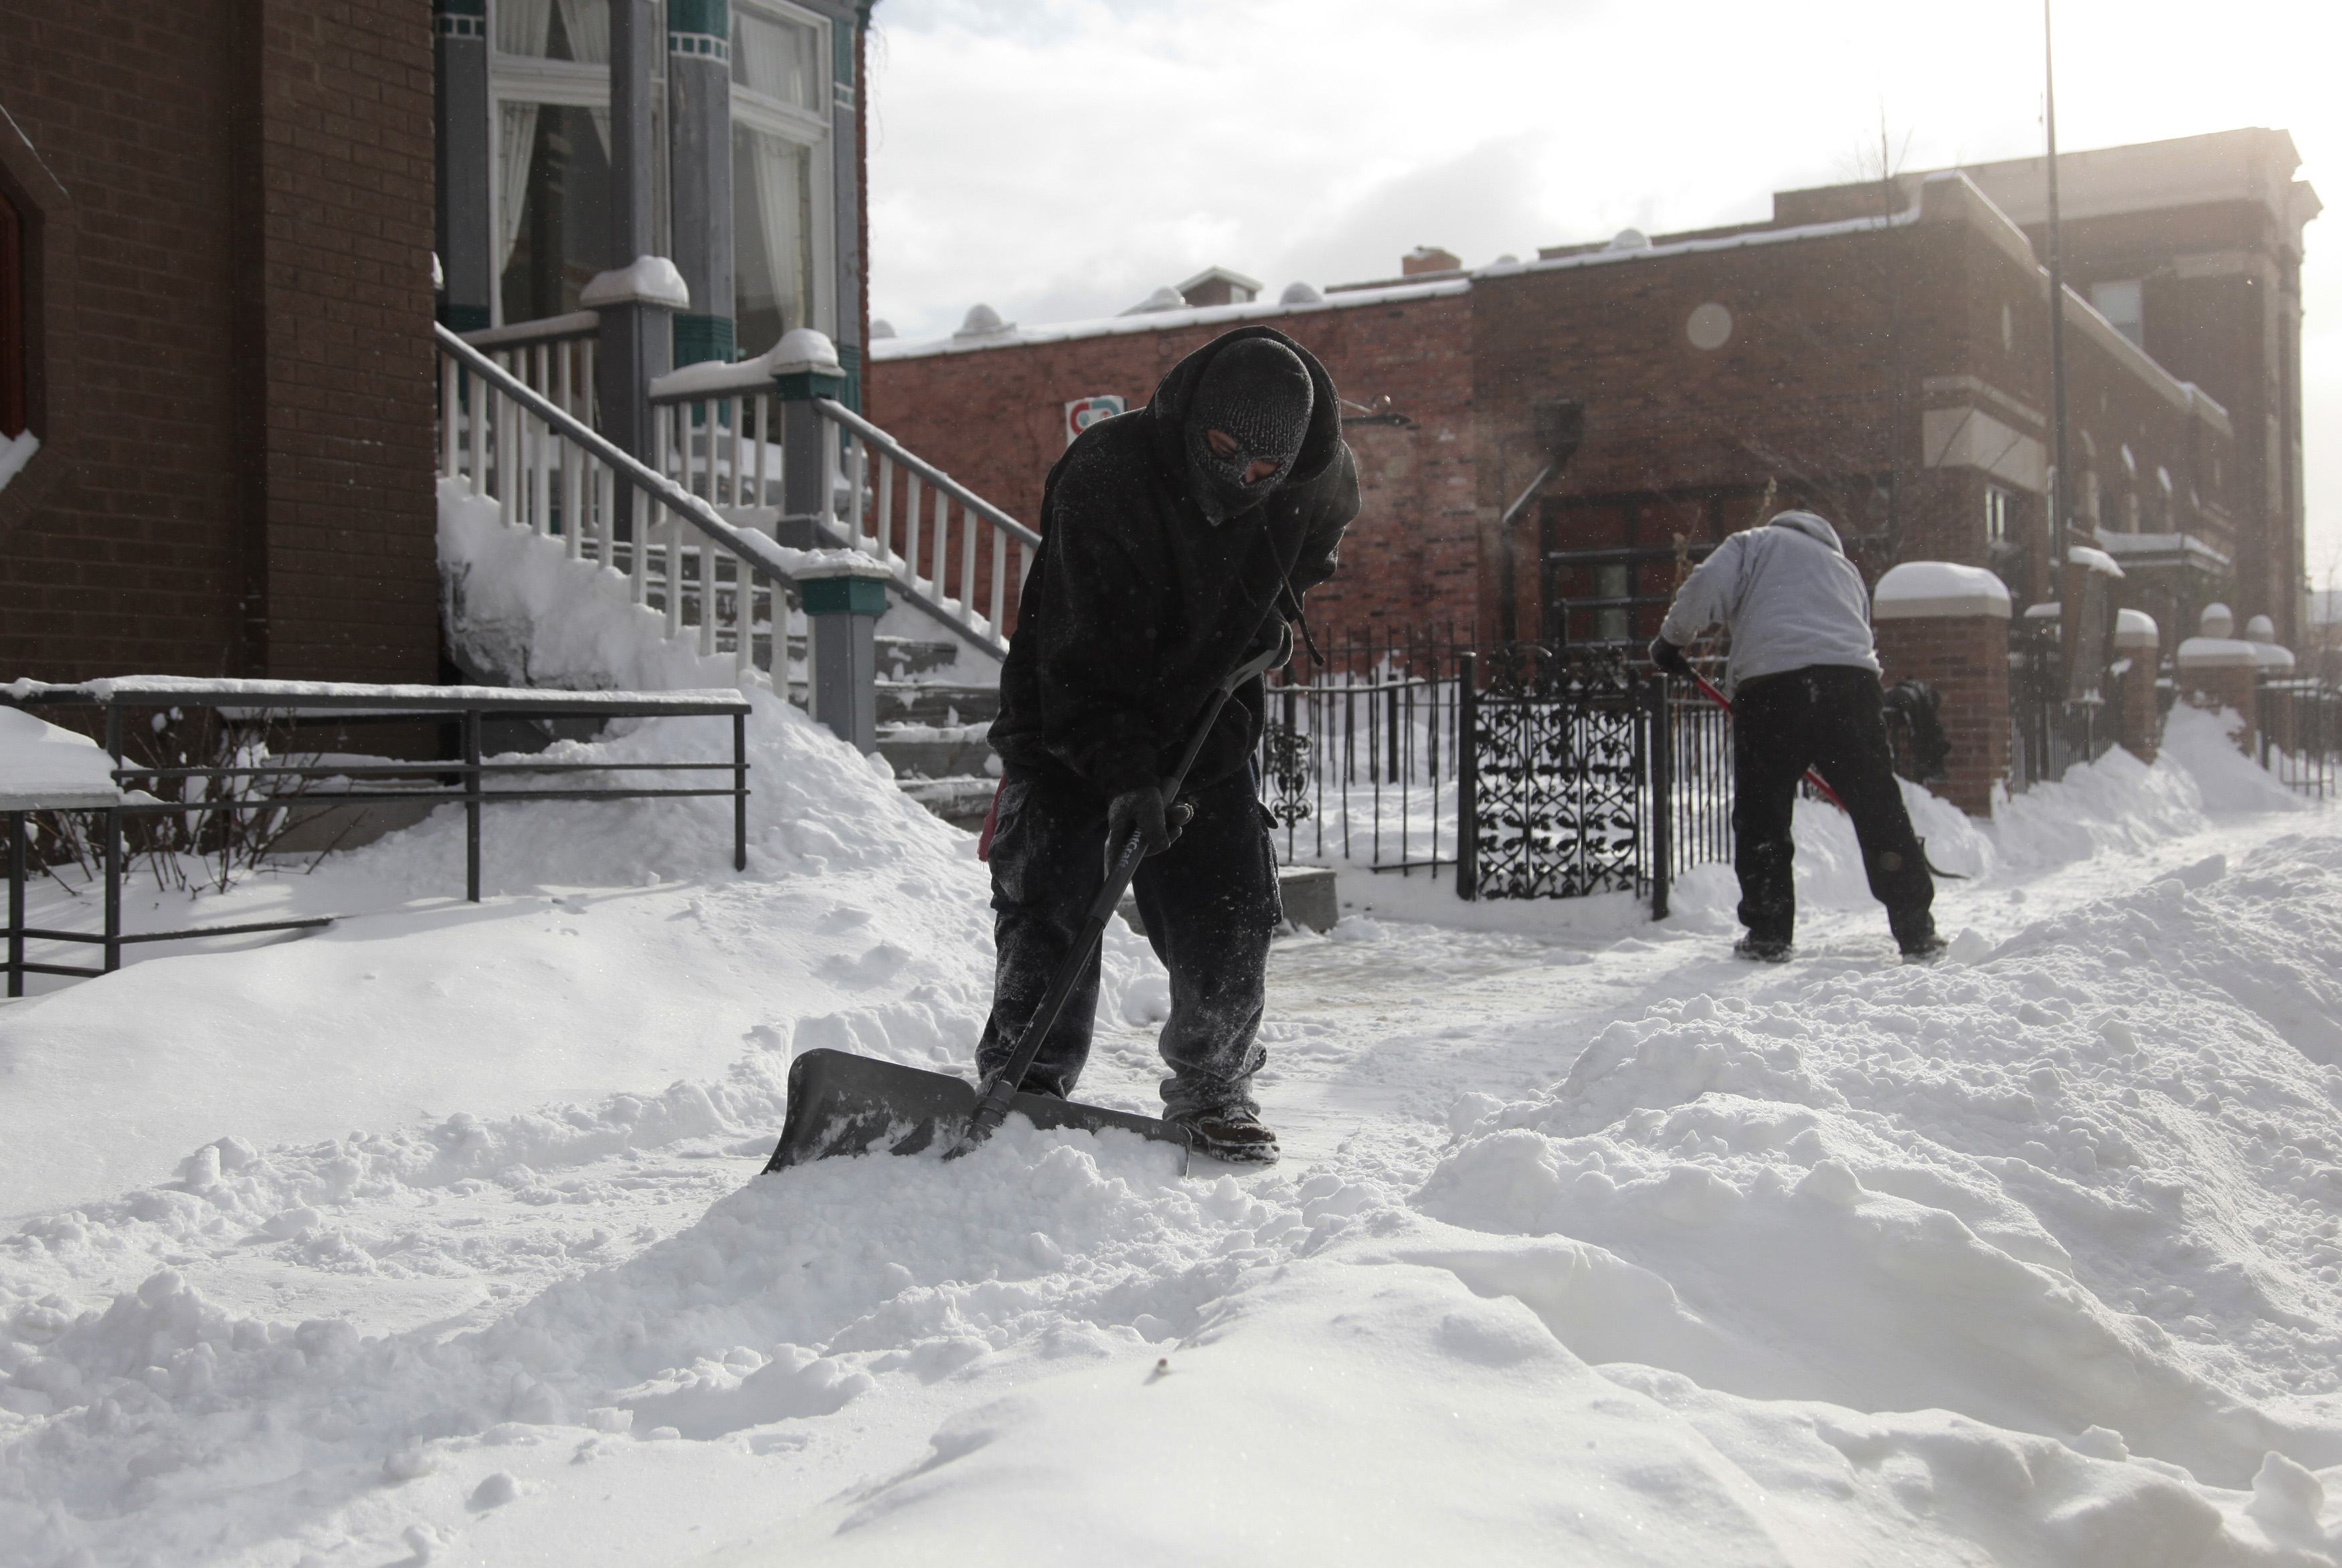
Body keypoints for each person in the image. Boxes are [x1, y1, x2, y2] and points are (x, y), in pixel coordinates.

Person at [978, 326, 1358, 1163]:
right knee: (1051, 896)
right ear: (1193, 420)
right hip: (1068, 717)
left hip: (1205, 721)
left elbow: (1320, 542)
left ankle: (1215, 1086)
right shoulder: (1107, 472)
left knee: (1230, 905)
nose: (1239, 482)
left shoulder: (1315, 479)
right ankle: (1024, 1079)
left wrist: (1281, 605)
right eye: (1222, 453)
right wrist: (1123, 778)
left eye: (1263, 474)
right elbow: (1079, 654)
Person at [1648, 509, 1944, 963]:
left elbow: (1705, 585)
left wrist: (1671, 641)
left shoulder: (1754, 543)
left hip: (1773, 688)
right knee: (1878, 807)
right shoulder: (1844, 569)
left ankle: (1768, 932)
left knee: (1763, 813)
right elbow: (1859, 633)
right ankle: (1916, 928)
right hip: (1853, 688)